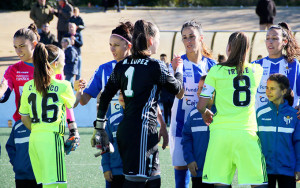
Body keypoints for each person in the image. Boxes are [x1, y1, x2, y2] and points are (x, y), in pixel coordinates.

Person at [94, 19, 183, 188]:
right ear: (150, 40)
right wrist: (178, 69)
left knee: (154, 180)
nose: (158, 42)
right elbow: (179, 90)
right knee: (137, 182)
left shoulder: (121, 66)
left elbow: (104, 96)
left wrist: (99, 127)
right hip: (141, 132)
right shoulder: (155, 65)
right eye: (157, 38)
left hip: (133, 131)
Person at [1, 24, 78, 187]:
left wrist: (73, 128)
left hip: (43, 131)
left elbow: (65, 103)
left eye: (22, 46)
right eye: (15, 47)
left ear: (34, 45)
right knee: (25, 177)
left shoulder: (51, 67)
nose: (18, 51)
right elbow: (4, 91)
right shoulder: (13, 70)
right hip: (24, 128)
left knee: (45, 180)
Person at [197, 32, 267, 187]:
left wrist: (205, 113)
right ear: (248, 49)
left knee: (221, 184)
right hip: (247, 135)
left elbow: (201, 105)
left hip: (221, 135)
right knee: (258, 183)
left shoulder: (216, 71)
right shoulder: (257, 70)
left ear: (228, 47)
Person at [19, 43, 79, 188]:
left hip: (34, 140)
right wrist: (79, 91)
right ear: (56, 63)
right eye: (64, 60)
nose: (65, 63)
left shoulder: (28, 86)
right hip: (52, 139)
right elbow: (73, 103)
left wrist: (38, 130)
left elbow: (24, 117)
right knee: (57, 185)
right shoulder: (63, 85)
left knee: (47, 184)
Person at [169, 20, 216, 188]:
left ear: (201, 38)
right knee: (181, 170)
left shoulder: (213, 66)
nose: (188, 41)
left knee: (206, 174)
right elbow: (175, 93)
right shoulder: (176, 65)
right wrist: (175, 71)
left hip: (207, 128)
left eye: (192, 37)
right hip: (181, 126)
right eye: (184, 38)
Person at [257, 73, 300, 188]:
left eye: (272, 88)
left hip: (287, 170)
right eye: (267, 88)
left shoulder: (295, 115)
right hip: (264, 170)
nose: (268, 91)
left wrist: (298, 167)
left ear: (283, 91)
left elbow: (298, 143)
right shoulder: (260, 113)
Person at [253, 22, 300, 110]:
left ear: (284, 42)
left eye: (274, 38)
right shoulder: (256, 65)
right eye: (267, 38)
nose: (270, 42)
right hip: (261, 122)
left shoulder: (293, 64)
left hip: (288, 122)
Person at [181, 75, 215, 188]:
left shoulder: (223, 114)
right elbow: (186, 138)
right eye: (198, 88)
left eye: (203, 88)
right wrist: (189, 159)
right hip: (199, 172)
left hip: (220, 173)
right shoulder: (193, 114)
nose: (199, 92)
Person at [101, 91, 125, 188]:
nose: (121, 96)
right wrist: (106, 168)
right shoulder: (112, 119)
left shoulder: (139, 119)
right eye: (120, 94)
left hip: (135, 173)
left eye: (125, 93)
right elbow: (105, 145)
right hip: (115, 172)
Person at [159, 53, 174, 126]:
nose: (163, 60)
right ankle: (165, 122)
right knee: (165, 108)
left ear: (166, 58)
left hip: (170, 92)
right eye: (161, 58)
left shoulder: (170, 66)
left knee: (171, 108)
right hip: (164, 92)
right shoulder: (159, 66)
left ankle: (171, 122)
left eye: (164, 58)